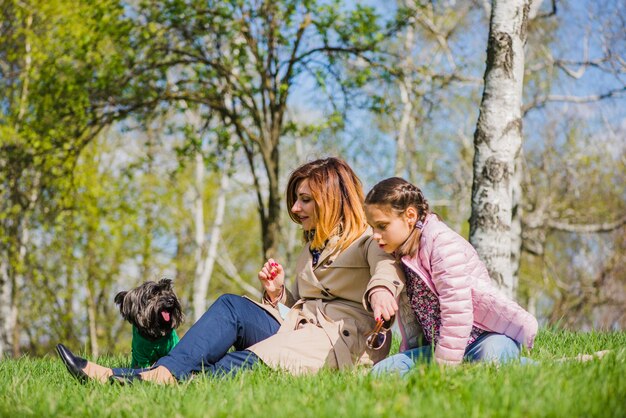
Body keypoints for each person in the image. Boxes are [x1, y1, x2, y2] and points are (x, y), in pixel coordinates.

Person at [56, 157, 404, 384]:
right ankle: (161, 373)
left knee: (241, 364)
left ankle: (131, 378)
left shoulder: (366, 240)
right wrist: (279, 293)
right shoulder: (313, 246)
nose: (296, 208)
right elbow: (307, 303)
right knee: (231, 307)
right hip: (302, 331)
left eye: (306, 199)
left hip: (340, 346)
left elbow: (385, 268)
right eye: (296, 199)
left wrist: (382, 292)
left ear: (333, 199)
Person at [363, 177, 538, 376]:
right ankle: (468, 368)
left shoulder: (441, 243)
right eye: (372, 227)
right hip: (441, 348)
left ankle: (542, 367)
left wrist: (443, 369)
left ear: (410, 216)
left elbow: (457, 310)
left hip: (484, 339)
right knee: (381, 373)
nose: (375, 235)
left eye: (382, 226)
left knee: (492, 360)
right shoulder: (400, 252)